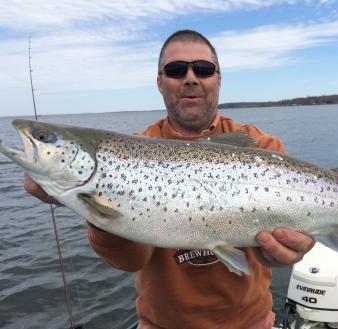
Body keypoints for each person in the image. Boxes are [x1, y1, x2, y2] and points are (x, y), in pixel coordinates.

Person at [24, 30, 315, 329]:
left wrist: (285, 252)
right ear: (160, 82)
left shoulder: (262, 148)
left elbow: (291, 240)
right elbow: (130, 261)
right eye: (176, 70)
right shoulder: (132, 149)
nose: (190, 77)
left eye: (203, 69)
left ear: (218, 79)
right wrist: (95, 207)